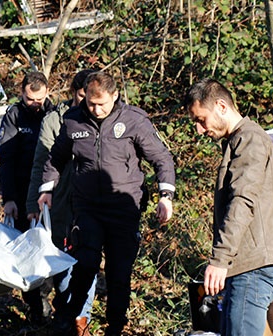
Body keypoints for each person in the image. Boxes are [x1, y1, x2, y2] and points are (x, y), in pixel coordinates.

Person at [41, 71, 176, 335]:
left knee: (118, 274)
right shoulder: (73, 121)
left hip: (123, 208)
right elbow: (55, 158)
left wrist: (166, 196)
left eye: (102, 103)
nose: (96, 109)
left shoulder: (134, 121)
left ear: (115, 96)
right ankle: (68, 316)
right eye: (91, 103)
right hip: (87, 207)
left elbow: (162, 158)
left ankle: (115, 326)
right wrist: (46, 189)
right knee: (86, 262)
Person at [184, 78, 273, 336]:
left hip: (253, 267)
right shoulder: (240, 140)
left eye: (201, 120)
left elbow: (242, 201)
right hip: (247, 264)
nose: (200, 130)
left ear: (222, 106)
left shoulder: (250, 140)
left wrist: (220, 259)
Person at [25, 69, 97, 335]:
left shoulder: (107, 117)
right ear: (73, 93)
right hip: (62, 203)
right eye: (82, 96)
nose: (88, 102)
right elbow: (41, 163)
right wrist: (33, 203)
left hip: (93, 204)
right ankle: (66, 311)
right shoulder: (55, 121)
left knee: (87, 261)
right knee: (64, 267)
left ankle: (81, 320)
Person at [0, 71, 55, 323]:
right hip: (21, 192)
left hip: (52, 190)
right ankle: (36, 303)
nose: (36, 104)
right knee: (27, 250)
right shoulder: (13, 116)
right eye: (31, 99)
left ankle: (55, 295)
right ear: (22, 93)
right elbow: (6, 160)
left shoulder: (56, 113)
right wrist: (9, 198)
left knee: (53, 246)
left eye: (40, 98)